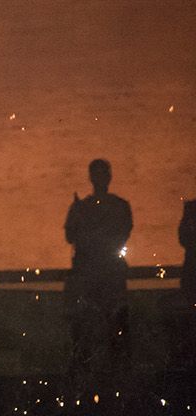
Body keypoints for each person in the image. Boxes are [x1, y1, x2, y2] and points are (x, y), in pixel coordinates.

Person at [64, 159, 133, 379]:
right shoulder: (119, 206)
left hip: (97, 275)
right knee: (105, 328)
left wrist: (83, 220)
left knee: (99, 328)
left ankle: (95, 373)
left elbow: (72, 236)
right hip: (104, 275)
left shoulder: (86, 207)